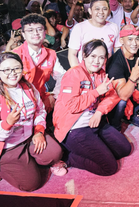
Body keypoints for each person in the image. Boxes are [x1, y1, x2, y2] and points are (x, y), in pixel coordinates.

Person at [0, 52, 65, 191]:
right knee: (30, 184)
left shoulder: (28, 87)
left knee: (55, 152)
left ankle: (30, 160)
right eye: (6, 70)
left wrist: (38, 132)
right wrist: (7, 123)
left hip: (29, 137)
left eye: (16, 68)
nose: (12, 73)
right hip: (7, 146)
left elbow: (40, 110)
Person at [54, 39, 132, 176]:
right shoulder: (74, 73)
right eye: (93, 56)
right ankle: (69, 158)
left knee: (124, 149)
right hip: (74, 128)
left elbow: (113, 96)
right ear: (84, 55)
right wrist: (96, 92)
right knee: (109, 167)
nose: (97, 61)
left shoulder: (101, 74)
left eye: (102, 57)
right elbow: (72, 106)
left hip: (94, 121)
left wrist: (100, 112)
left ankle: (95, 149)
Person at [106, 24, 139, 131]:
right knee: (122, 103)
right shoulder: (115, 62)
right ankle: (116, 124)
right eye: (130, 39)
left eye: (137, 39)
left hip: (134, 97)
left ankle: (132, 114)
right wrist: (133, 78)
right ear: (121, 40)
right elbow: (122, 96)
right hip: (118, 101)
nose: (134, 43)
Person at [14, 14, 67, 113]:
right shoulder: (15, 55)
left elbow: (62, 76)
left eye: (39, 29)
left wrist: (55, 96)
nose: (36, 33)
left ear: (45, 32)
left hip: (42, 101)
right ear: (23, 34)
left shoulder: (51, 54)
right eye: (30, 30)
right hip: (20, 105)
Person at [68, 0, 121, 67]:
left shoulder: (114, 27)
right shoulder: (79, 28)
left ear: (109, 11)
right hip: (86, 72)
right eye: (97, 9)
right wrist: (79, 74)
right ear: (90, 11)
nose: (101, 12)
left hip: (107, 72)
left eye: (104, 9)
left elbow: (117, 51)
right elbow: (72, 54)